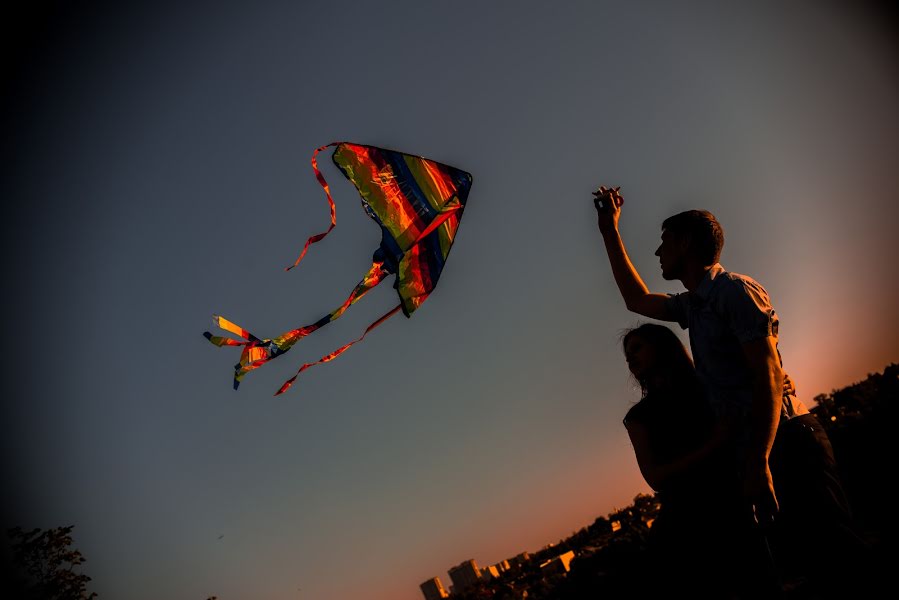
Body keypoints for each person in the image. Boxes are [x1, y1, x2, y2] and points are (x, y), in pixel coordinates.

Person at [593, 187, 865, 597]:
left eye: (664, 242)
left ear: (685, 243)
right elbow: (636, 299)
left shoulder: (734, 291)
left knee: (840, 558)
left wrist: (757, 461)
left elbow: (770, 379)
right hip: (765, 449)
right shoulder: (694, 307)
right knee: (813, 567)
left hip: (788, 440)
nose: (657, 253)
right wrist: (608, 230)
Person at [620, 323, 737, 596]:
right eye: (627, 355)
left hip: (733, 504)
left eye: (637, 348)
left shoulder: (709, 386)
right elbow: (656, 478)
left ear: (662, 346)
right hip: (687, 526)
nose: (630, 358)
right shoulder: (639, 418)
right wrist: (713, 445)